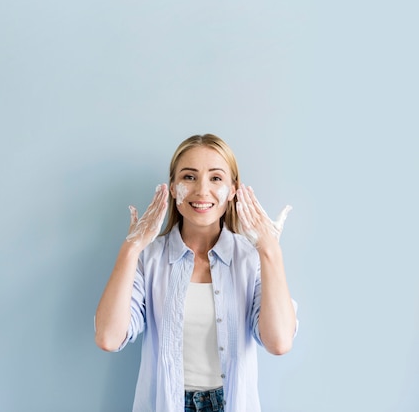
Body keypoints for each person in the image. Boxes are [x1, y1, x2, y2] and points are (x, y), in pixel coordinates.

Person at [95, 134, 298, 412]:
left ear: (233, 189)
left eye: (216, 178)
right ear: (173, 189)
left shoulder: (252, 258)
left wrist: (270, 251)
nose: (202, 191)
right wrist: (130, 249)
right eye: (189, 177)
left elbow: (279, 342)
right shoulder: (149, 258)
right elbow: (108, 337)